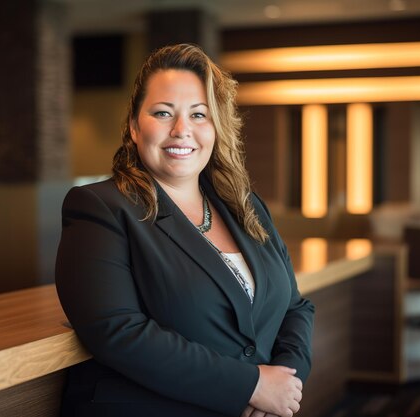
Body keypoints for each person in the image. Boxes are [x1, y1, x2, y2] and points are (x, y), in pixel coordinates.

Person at [55, 43, 314, 417]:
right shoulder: (99, 207)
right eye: (163, 113)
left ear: (216, 126)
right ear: (133, 125)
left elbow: (295, 306)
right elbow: (119, 331)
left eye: (198, 114)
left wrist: (284, 383)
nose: (181, 130)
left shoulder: (244, 205)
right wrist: (251, 385)